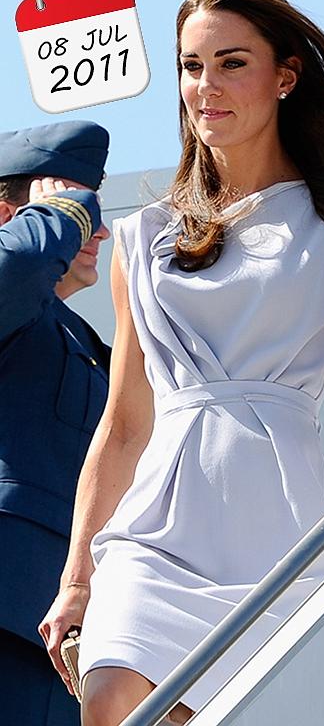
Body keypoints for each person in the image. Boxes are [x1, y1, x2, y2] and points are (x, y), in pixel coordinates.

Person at [37, 0, 324, 725]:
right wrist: (76, 578)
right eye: (193, 66)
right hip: (152, 533)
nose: (206, 86)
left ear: (285, 76)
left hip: (275, 527)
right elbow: (125, 424)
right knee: (111, 704)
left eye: (231, 63)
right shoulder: (144, 237)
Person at [0, 121, 111, 726]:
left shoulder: (85, 342)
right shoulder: (11, 298)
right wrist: (62, 211)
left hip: (66, 640)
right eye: (74, 201)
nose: (98, 227)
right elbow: (17, 266)